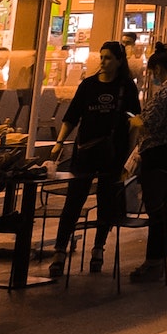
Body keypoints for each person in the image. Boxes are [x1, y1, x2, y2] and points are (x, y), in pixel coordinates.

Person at [48, 40, 142, 277]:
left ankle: (98, 248)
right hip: (86, 150)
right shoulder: (88, 85)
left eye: (108, 57)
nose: (103, 61)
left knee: (106, 201)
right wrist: (59, 142)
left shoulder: (126, 87)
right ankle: (60, 249)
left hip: (113, 153)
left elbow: (135, 122)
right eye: (101, 57)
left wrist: (129, 155)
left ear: (119, 61)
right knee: (74, 200)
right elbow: (72, 116)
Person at [129, 45, 167, 283]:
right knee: (165, 207)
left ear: (158, 68)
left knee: (156, 207)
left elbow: (148, 123)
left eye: (152, 70)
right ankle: (161, 256)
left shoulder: (165, 93)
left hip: (158, 153)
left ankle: (153, 261)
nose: (151, 76)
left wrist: (133, 120)